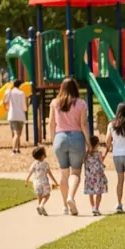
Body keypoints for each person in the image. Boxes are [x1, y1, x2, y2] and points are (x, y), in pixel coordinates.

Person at [48, 77, 90, 216]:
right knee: (75, 172)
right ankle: (71, 197)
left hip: (60, 138)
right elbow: (84, 124)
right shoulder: (81, 103)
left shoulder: (55, 103)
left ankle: (65, 205)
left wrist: (52, 140)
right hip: (77, 138)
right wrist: (89, 142)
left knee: (63, 173)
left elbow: (51, 123)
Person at [25, 145, 58, 215]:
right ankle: (41, 205)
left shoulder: (34, 164)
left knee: (39, 196)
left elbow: (30, 173)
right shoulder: (46, 164)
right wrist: (55, 182)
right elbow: (50, 174)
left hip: (36, 183)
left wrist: (27, 180)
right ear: (43, 155)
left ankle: (39, 208)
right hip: (44, 183)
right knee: (47, 196)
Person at [83, 135, 108, 216]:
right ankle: (96, 207)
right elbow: (101, 161)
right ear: (97, 144)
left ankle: (93, 207)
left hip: (90, 177)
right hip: (98, 177)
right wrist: (107, 151)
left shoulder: (86, 154)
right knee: (99, 193)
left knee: (91, 192)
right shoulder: (98, 153)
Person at [4, 83, 28, 155]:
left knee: (16, 134)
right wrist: (26, 108)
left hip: (12, 115)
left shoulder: (10, 92)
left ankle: (16, 150)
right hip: (20, 116)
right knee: (18, 134)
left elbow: (5, 101)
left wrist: (6, 108)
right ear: (20, 85)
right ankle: (16, 149)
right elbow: (24, 105)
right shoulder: (22, 93)